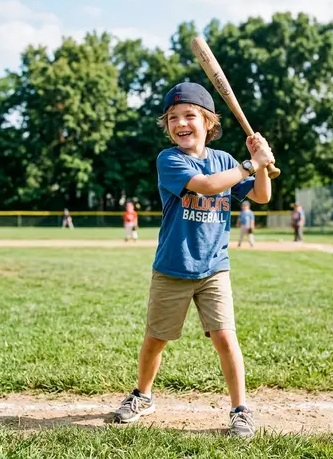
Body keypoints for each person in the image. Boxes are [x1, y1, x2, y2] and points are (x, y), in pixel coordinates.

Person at [113, 82, 274, 439]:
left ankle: (241, 409)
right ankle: (143, 395)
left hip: (215, 267)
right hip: (173, 267)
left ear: (208, 122)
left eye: (189, 116)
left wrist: (261, 163)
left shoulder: (226, 160)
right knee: (156, 338)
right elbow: (208, 186)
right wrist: (251, 164)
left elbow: (262, 196)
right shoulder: (170, 160)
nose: (180, 123)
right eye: (173, 118)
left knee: (225, 337)